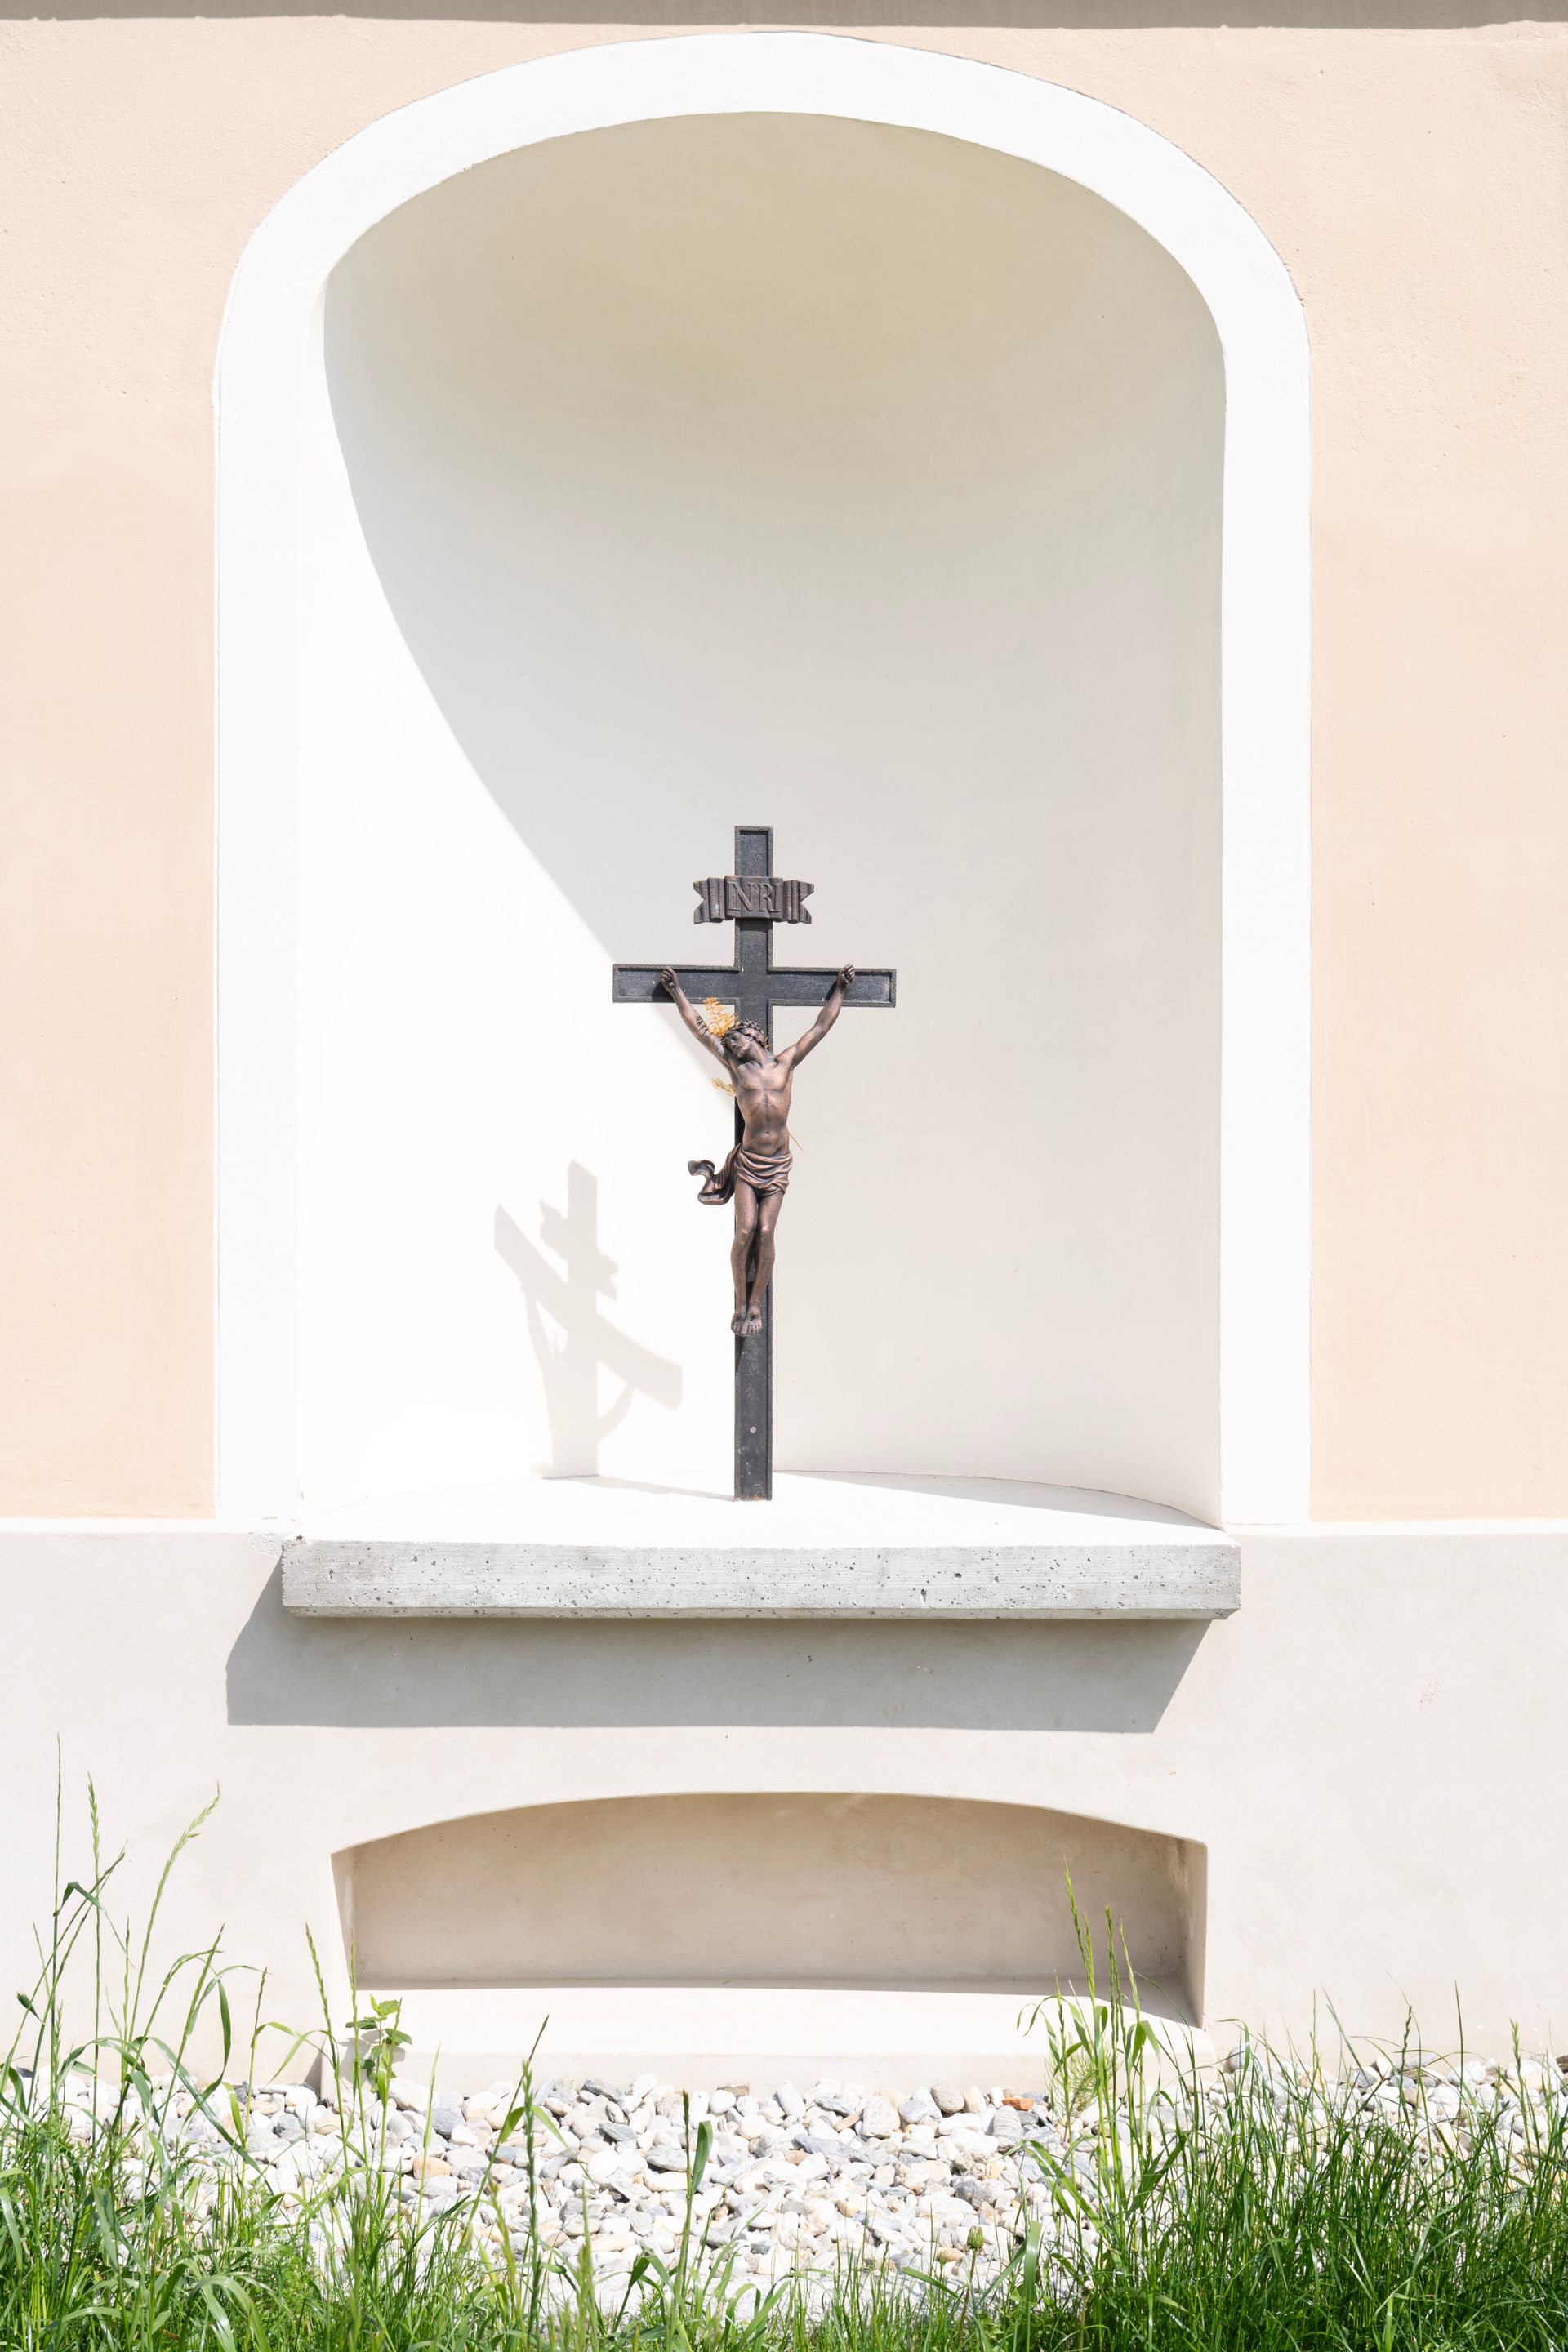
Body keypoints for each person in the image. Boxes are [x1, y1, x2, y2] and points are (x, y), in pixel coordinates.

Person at [659, 964, 856, 1336]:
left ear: (755, 1037)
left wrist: (840, 992)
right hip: (749, 1164)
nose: (730, 1045)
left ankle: (755, 1305)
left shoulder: (786, 1062)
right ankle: (739, 1302)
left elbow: (820, 1028)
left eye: (736, 1039)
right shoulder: (737, 1069)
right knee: (745, 1229)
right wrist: (677, 993)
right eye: (729, 1044)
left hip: (777, 1164)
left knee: (766, 1232)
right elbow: (701, 1031)